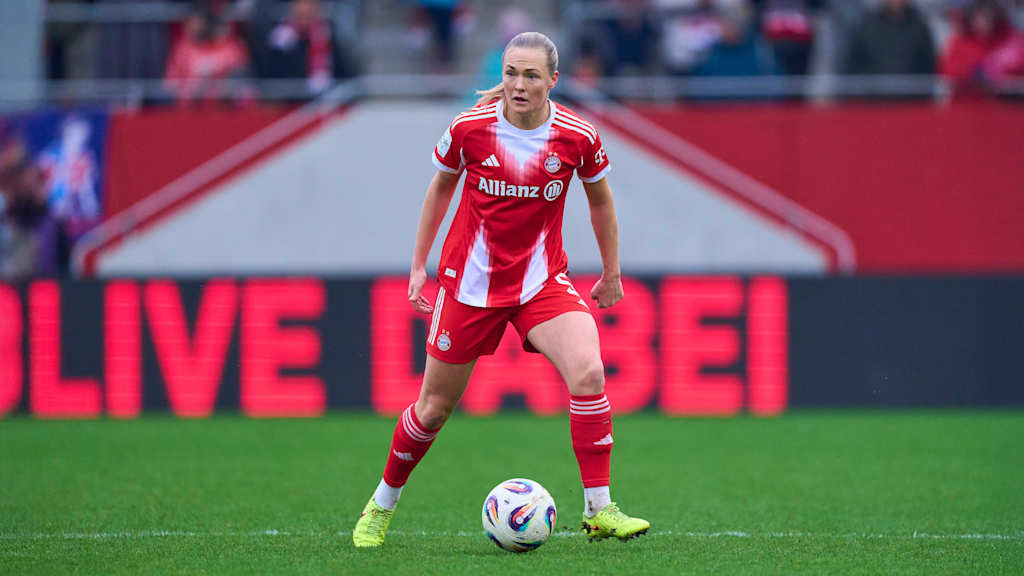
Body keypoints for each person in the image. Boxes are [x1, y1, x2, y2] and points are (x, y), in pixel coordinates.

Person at [352, 31, 650, 547]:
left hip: (541, 280)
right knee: (433, 409)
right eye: (511, 73)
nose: (518, 83)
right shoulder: (470, 129)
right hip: (470, 285)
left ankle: (600, 509)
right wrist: (419, 265)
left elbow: (600, 200)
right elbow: (441, 186)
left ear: (553, 81)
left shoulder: (577, 136)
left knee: (590, 370)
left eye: (531, 75)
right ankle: (381, 505)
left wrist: (612, 271)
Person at [941, 0, 1024, 97]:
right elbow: (948, 74)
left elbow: (1019, 72)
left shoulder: (1012, 41)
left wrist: (1004, 80)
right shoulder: (960, 43)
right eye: (978, 17)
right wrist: (973, 74)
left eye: (988, 16)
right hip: (968, 104)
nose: (983, 21)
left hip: (1007, 104)